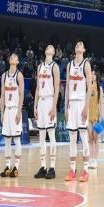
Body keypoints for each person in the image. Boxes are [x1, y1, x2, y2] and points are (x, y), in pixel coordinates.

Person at [64, 40, 92, 182]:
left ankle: (86, 170)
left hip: (81, 103)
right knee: (72, 138)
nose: (78, 46)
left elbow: (90, 88)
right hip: (72, 103)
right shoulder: (69, 65)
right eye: (76, 45)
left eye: (81, 45)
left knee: (84, 136)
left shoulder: (86, 64)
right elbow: (67, 87)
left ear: (84, 49)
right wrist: (65, 106)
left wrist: (86, 107)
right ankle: (72, 169)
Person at [34, 45, 60, 180]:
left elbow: (57, 88)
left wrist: (54, 106)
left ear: (53, 52)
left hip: (50, 100)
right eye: (47, 47)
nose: (48, 48)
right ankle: (43, 167)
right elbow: (38, 88)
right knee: (41, 136)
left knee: (51, 134)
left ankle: (52, 167)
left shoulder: (55, 67)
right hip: (41, 101)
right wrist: (35, 105)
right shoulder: (39, 66)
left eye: (51, 47)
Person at [0, 53, 24, 178]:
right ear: (9, 60)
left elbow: (21, 94)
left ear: (18, 62)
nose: (13, 57)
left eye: (15, 57)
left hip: (15, 109)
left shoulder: (19, 75)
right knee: (7, 140)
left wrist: (19, 111)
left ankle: (16, 167)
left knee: (17, 139)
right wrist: (1, 112)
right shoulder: (4, 76)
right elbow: (2, 95)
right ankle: (8, 166)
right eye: (11, 57)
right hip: (7, 110)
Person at [88, 69, 103, 169]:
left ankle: (95, 160)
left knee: (96, 138)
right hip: (89, 115)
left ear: (96, 76)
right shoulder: (87, 87)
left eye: (94, 74)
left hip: (96, 115)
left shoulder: (99, 88)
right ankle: (90, 159)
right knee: (90, 139)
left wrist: (100, 115)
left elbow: (100, 103)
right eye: (91, 74)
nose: (92, 76)